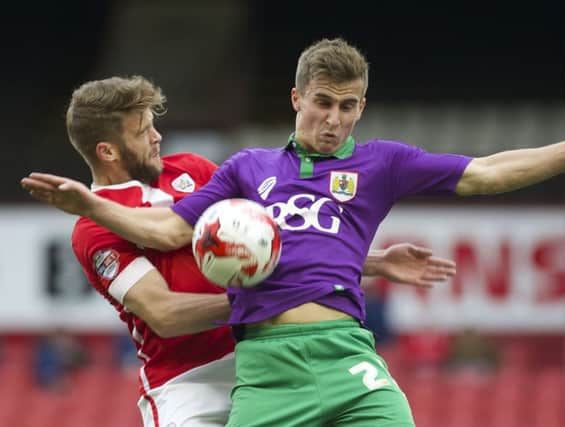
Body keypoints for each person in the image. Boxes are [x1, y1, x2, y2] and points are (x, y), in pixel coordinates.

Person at [23, 35, 565, 425]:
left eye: (348, 106)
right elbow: (171, 254)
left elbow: (487, 172)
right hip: (226, 374)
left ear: (362, 107)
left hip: (344, 354)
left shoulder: (372, 163)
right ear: (297, 99)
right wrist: (91, 208)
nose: (334, 118)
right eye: (323, 102)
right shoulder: (246, 169)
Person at [27, 75, 457, 427]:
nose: (158, 137)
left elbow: (273, 236)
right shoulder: (94, 230)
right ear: (107, 150)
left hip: (260, 361)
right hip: (186, 384)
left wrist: (374, 263)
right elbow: (165, 314)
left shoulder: (193, 170)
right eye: (144, 131)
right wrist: (262, 300)